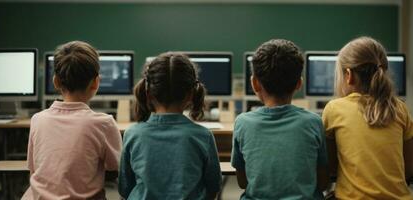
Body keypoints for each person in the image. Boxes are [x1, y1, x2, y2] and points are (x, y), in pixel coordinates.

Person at [22, 41, 122, 200]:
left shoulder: (37, 119)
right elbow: (117, 168)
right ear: (96, 82)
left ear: (55, 81)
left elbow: (34, 168)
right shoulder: (104, 123)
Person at [231, 39, 328, 199]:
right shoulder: (313, 122)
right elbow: (323, 181)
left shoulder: (242, 123)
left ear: (254, 83)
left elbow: (243, 182)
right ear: (299, 83)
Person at [118, 52, 222, 200]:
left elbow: (124, 188)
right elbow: (214, 188)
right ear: (191, 94)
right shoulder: (203, 136)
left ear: (148, 93)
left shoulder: (132, 134)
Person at [323, 36, 413, 199]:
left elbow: (330, 169)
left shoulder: (334, 109)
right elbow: (408, 170)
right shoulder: (401, 109)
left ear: (348, 75)